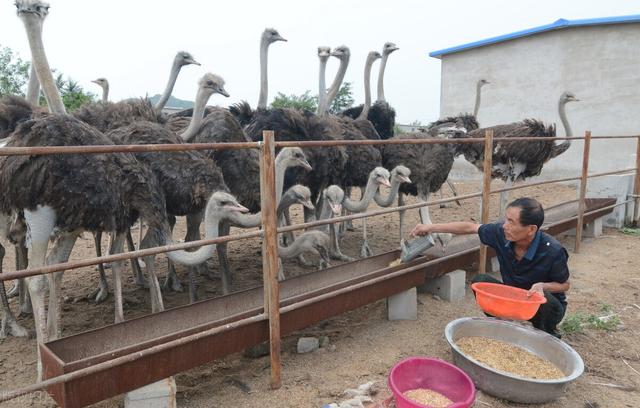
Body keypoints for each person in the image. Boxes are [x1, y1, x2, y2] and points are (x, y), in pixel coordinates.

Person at [410, 197, 570, 338]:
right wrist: (430, 228)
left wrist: (542, 286)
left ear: (531, 229)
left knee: (545, 300)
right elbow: (470, 228)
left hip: (542, 308)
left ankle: (547, 335)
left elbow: (565, 284)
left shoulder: (552, 251)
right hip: (513, 300)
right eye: (506, 219)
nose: (504, 226)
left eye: (511, 222)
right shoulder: (501, 234)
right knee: (480, 281)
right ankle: (501, 325)